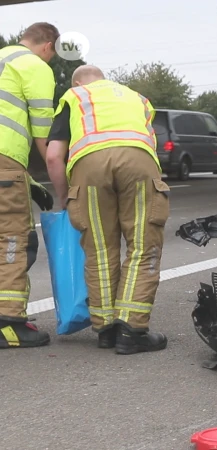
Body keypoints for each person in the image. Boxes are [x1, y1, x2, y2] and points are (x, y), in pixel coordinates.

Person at [45, 65, 170, 354]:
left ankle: (105, 330)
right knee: (142, 245)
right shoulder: (137, 98)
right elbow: (150, 140)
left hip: (88, 168)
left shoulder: (74, 96)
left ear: (78, 81)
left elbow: (53, 156)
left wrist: (64, 197)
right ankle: (132, 329)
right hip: (138, 162)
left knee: (99, 249)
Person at [0, 22, 59, 349]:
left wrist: (30, 182)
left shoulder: (4, 59)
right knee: (13, 239)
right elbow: (43, 136)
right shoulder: (33, 65)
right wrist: (60, 176)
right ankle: (8, 323)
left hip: (6, 167)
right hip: (4, 160)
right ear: (47, 46)